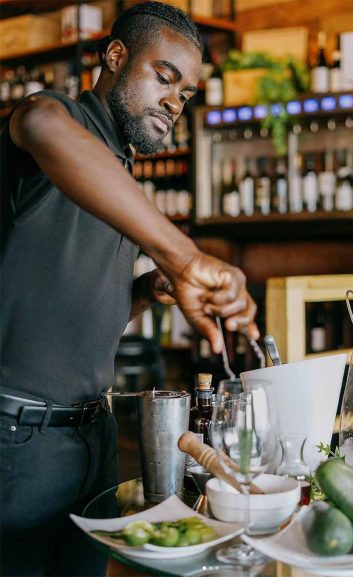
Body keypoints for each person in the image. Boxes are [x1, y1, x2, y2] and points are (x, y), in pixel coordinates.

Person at [0, 3, 258, 575]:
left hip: (93, 433)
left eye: (186, 94)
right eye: (164, 77)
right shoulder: (56, 122)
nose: (174, 101)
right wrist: (185, 258)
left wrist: (146, 290)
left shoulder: (120, 165)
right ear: (116, 56)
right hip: (17, 438)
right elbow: (40, 123)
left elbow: (70, 308)